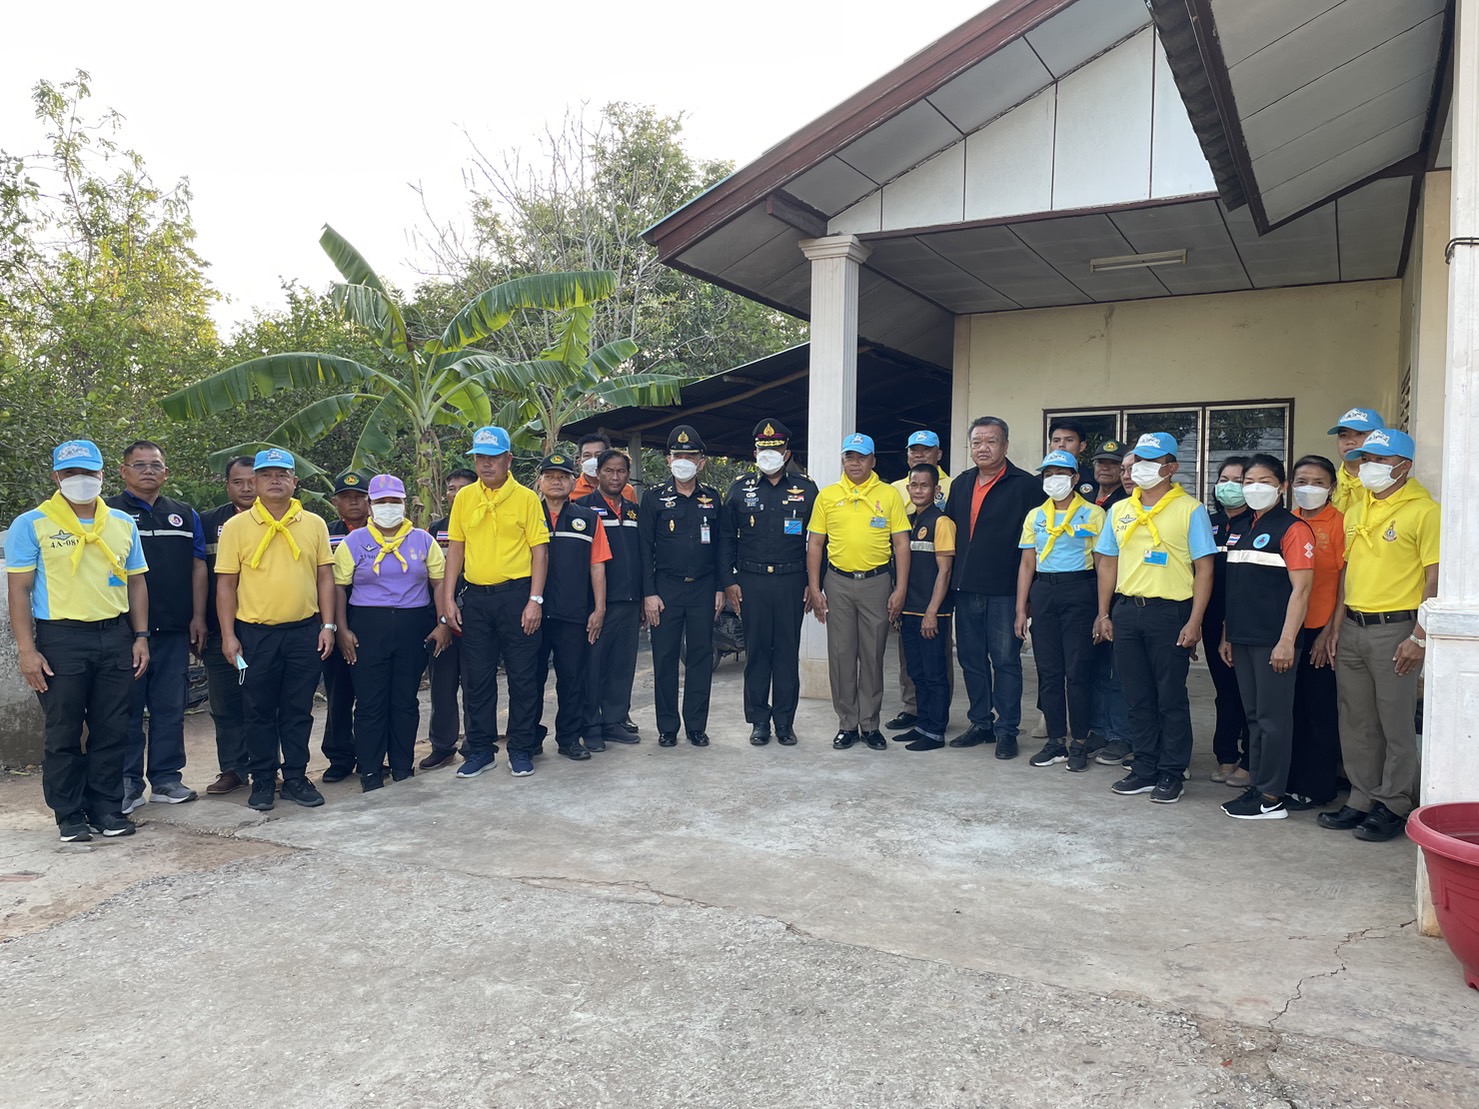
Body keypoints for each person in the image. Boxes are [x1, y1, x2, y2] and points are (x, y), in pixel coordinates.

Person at [6, 440, 149, 841]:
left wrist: (140, 636)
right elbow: (19, 590)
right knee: (64, 730)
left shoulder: (121, 523)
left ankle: (107, 808)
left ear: (102, 475)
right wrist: (27, 650)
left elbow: (137, 582)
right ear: (56, 477)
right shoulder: (31, 524)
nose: (80, 480)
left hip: (115, 634)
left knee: (112, 727)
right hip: (61, 639)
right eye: (71, 473)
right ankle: (69, 814)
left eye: (88, 472)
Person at [1319, 428, 1440, 842]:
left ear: (1404, 466)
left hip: (1397, 629)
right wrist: (1336, 626)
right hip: (1354, 625)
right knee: (1356, 720)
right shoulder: (1357, 510)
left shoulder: (1425, 512)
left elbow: (1435, 578)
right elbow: (1347, 572)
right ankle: (1361, 797)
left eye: (1380, 460)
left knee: (1394, 721)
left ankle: (1394, 802)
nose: (1369, 466)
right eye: (1366, 459)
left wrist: (1420, 635)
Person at [1094, 433, 1215, 804]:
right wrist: (1104, 613)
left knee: (1170, 696)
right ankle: (1144, 766)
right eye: (1137, 462)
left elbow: (1205, 569)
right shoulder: (1120, 510)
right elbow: (1107, 563)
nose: (1140, 469)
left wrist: (1195, 621)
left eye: (1151, 461)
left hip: (1170, 613)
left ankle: (1172, 771)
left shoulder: (1190, 510)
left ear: (1171, 467)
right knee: (1136, 695)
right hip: (1128, 610)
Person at [214, 448, 335, 812]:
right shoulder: (236, 527)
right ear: (255, 482)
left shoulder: (313, 523)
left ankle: (296, 777)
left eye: (282, 475)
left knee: (298, 709)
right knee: (258, 709)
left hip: (303, 631)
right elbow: (226, 584)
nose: (275, 481)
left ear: (295, 481)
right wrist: (228, 635)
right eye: (266, 475)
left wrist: (328, 625)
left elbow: (324, 577)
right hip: (255, 634)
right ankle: (263, 779)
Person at [443, 426, 548, 779]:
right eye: (480, 458)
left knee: (522, 676)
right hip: (476, 598)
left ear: (508, 459)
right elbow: (456, 549)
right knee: (477, 678)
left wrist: (535, 600)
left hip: (517, 597)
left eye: (493, 457)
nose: (486, 464)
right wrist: (448, 598)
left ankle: (520, 747)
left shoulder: (527, 498)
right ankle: (480, 749)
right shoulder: (465, 497)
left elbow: (540, 551)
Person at [108, 440, 206, 811]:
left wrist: (198, 616)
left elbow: (198, 567)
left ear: (166, 472)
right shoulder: (107, 513)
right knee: (126, 711)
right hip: (123, 632)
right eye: (139, 465)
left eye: (155, 465)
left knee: (170, 708)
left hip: (174, 630)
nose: (148, 471)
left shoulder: (184, 515)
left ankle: (166, 779)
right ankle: (128, 783)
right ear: (123, 471)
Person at [333, 474, 448, 791]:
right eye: (381, 501)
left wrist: (442, 623)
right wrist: (341, 629)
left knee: (405, 701)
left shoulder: (423, 540)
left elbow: (439, 582)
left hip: (413, 625)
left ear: (404, 503)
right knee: (370, 703)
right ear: (370, 505)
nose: (388, 507)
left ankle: (402, 767)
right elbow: (339, 587)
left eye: (394, 501)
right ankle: (370, 771)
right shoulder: (353, 542)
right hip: (367, 626)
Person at [1217, 456, 1315, 820]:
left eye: (1264, 481)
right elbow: (1237, 588)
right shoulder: (1243, 527)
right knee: (1255, 716)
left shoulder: (1293, 529)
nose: (1254, 488)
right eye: (1248, 482)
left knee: (1274, 720)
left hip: (1274, 642)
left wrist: (1287, 640)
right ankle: (1257, 785)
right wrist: (1228, 634)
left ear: (1282, 487)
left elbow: (1302, 590)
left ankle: (1272, 796)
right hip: (1243, 638)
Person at [942, 416, 1041, 759]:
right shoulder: (962, 483)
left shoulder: (1025, 486)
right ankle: (980, 722)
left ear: (1005, 445)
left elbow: (1034, 544)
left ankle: (1007, 730)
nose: (983, 448)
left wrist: (1026, 599)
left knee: (1005, 661)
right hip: (965, 588)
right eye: (977, 442)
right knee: (971, 659)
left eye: (991, 441)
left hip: (1005, 590)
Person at [806, 433, 911, 751]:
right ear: (843, 460)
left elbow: (901, 544)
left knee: (872, 654)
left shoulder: (889, 495)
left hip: (876, 583)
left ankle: (870, 724)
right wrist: (815, 587)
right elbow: (815, 543)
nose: (855, 463)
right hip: (837, 582)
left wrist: (900, 588)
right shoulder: (828, 495)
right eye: (849, 457)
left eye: (861, 457)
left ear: (873, 461)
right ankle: (847, 724)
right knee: (841, 655)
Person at [720, 419, 818, 746]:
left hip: (792, 581)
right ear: (755, 452)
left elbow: (819, 540)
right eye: (764, 448)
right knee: (757, 653)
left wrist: (814, 583)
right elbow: (725, 538)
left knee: (787, 654)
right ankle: (759, 721)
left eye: (775, 448)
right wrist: (729, 580)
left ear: (787, 452)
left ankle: (785, 722)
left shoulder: (806, 488)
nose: (769, 454)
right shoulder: (739, 488)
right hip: (751, 582)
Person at [1016, 449, 1105, 772]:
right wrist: (1020, 609)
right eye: (1048, 474)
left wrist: (1103, 611)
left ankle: (1079, 740)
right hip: (1044, 591)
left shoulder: (1094, 514)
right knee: (1049, 671)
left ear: (1076, 478)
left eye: (1061, 474)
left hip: (1080, 590)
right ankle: (1056, 741)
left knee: (1077, 672)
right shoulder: (1035, 515)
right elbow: (1027, 563)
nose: (1054, 480)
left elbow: (1103, 563)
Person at [639, 425, 724, 747]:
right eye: (678, 455)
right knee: (665, 658)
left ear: (701, 462)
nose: (683, 461)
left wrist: (720, 587)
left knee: (701, 657)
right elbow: (644, 549)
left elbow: (721, 547)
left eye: (690, 456)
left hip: (703, 588)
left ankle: (696, 726)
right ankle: (667, 727)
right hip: (666, 589)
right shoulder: (654, 498)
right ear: (668, 460)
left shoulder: (712, 498)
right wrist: (649, 593)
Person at [533, 451, 609, 761]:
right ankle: (529, 738)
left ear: (572, 482)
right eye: (550, 476)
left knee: (572, 680)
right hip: (533, 614)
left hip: (573, 612)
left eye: (562, 477)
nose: (556, 482)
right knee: (529, 680)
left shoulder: (588, 518)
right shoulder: (527, 515)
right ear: (540, 481)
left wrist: (599, 609)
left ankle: (568, 738)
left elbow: (597, 565)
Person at [1286, 455, 1345, 809]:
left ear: (1332, 488)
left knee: (1318, 710)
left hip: (1320, 629)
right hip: (1288, 630)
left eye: (1318, 483)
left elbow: (1344, 583)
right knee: (1291, 708)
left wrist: (1329, 632)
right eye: (1302, 481)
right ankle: (1291, 779)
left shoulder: (1340, 523)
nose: (1309, 488)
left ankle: (1318, 786)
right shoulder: (1287, 521)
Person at [886, 430, 953, 733]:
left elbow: (944, 571)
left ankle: (935, 728)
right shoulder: (908, 519)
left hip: (931, 610)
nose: (918, 490)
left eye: (924, 486)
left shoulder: (942, 519)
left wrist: (932, 611)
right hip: (909, 607)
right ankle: (921, 722)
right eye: (914, 485)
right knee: (917, 671)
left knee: (935, 671)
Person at [577, 447, 644, 750]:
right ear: (598, 474)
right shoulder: (583, 509)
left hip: (629, 601)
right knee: (593, 666)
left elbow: (644, 555)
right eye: (609, 471)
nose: (615, 477)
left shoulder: (633, 510)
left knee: (622, 665)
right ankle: (590, 724)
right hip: (596, 603)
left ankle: (614, 721)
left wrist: (642, 597)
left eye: (621, 471)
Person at [200, 456, 256, 794]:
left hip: (265, 627)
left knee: (266, 702)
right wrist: (198, 619)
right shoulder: (207, 522)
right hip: (219, 628)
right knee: (224, 702)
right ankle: (233, 769)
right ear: (227, 486)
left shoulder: (282, 519)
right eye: (238, 482)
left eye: (252, 481)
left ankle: (268, 767)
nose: (247, 488)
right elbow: (198, 574)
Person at [421, 468, 477, 769]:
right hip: (442, 619)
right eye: (451, 489)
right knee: (441, 687)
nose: (456, 494)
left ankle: (475, 743)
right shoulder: (435, 530)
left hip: (476, 618)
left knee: (475, 684)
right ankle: (443, 746)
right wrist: (441, 620)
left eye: (463, 488)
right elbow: (431, 576)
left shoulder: (483, 523)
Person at [319, 470, 369, 782]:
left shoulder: (383, 531)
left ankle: (370, 753)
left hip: (372, 622)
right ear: (335, 501)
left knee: (371, 694)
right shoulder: (324, 534)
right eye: (346, 497)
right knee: (338, 693)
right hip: (332, 624)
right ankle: (339, 757)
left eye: (359, 497)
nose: (353, 502)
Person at [1206, 457, 1252, 786]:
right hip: (1210, 617)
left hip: (1245, 618)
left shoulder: (1257, 523)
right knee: (1224, 690)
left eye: (1238, 480)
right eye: (1224, 479)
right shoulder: (1208, 522)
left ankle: (1250, 758)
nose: (1229, 486)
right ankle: (1225, 754)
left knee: (1247, 691)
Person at [1326, 407, 1386, 514]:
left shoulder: (1388, 482)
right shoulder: (1328, 483)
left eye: (1360, 434)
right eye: (1343, 435)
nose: (1350, 441)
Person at [573, 433, 637, 502]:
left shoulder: (627, 490)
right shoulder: (570, 489)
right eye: (587, 455)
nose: (593, 460)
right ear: (579, 461)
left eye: (598, 455)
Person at [1089, 440, 1129, 510]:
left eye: (1113, 463)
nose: (1105, 468)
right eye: (1100, 462)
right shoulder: (1085, 499)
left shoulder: (1128, 501)